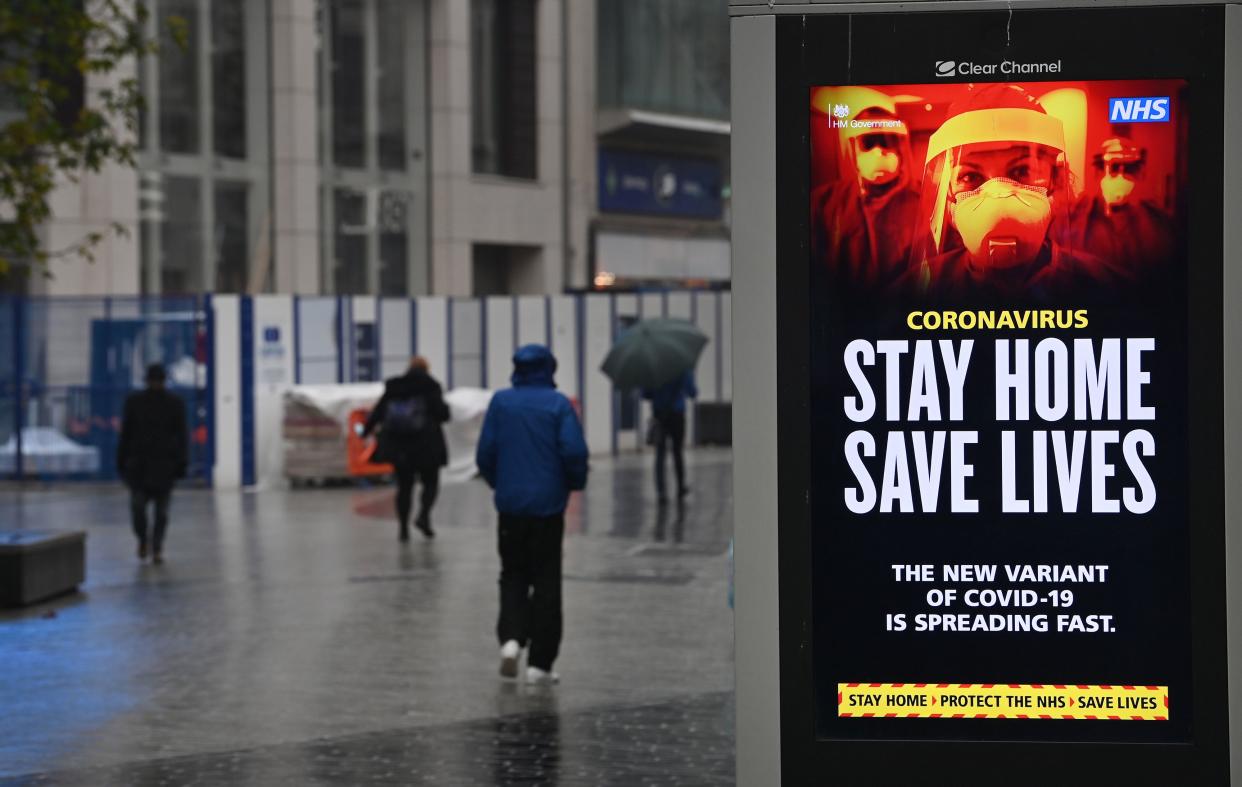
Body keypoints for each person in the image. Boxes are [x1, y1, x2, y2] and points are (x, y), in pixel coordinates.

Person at [907, 83, 1121, 300]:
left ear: (1057, 182)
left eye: (1022, 170)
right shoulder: (913, 292)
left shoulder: (1108, 289)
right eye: (970, 177)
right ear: (948, 198)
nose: (999, 195)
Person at [476, 344, 589, 685]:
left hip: (510, 507)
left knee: (511, 574)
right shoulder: (558, 405)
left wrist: (501, 483)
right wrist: (573, 483)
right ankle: (540, 663)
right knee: (546, 580)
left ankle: (510, 640)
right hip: (548, 507)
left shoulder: (501, 402)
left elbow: (486, 453)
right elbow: (573, 452)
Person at [811, 87, 920, 293]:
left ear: (901, 148)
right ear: (854, 149)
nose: (879, 151)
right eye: (868, 143)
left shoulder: (925, 201)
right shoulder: (824, 203)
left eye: (887, 142)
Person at [363, 356, 450, 542]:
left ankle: (403, 528)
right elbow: (443, 414)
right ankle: (423, 516)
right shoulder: (431, 385)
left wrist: (366, 431)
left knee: (404, 487)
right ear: (427, 369)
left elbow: (379, 411)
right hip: (427, 445)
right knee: (431, 483)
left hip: (399, 446)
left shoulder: (394, 385)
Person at [1068, 136, 1176, 276]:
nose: (1121, 177)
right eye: (1113, 169)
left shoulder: (1158, 223)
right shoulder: (1076, 220)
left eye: (1128, 170)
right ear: (1098, 172)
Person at [116, 363, 188, 564]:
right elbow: (126, 434)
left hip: (163, 465)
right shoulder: (135, 403)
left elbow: (181, 435)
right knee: (138, 508)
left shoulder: (174, 404)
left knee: (161, 513)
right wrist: (122, 460)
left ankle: (156, 546)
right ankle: (143, 539)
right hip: (141, 465)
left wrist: (181, 463)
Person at [643, 370, 697, 503]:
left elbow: (646, 394)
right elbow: (692, 392)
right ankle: (680, 487)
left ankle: (661, 491)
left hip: (660, 415)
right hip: (677, 415)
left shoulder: (653, 370)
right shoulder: (682, 368)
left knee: (660, 454)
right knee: (677, 452)